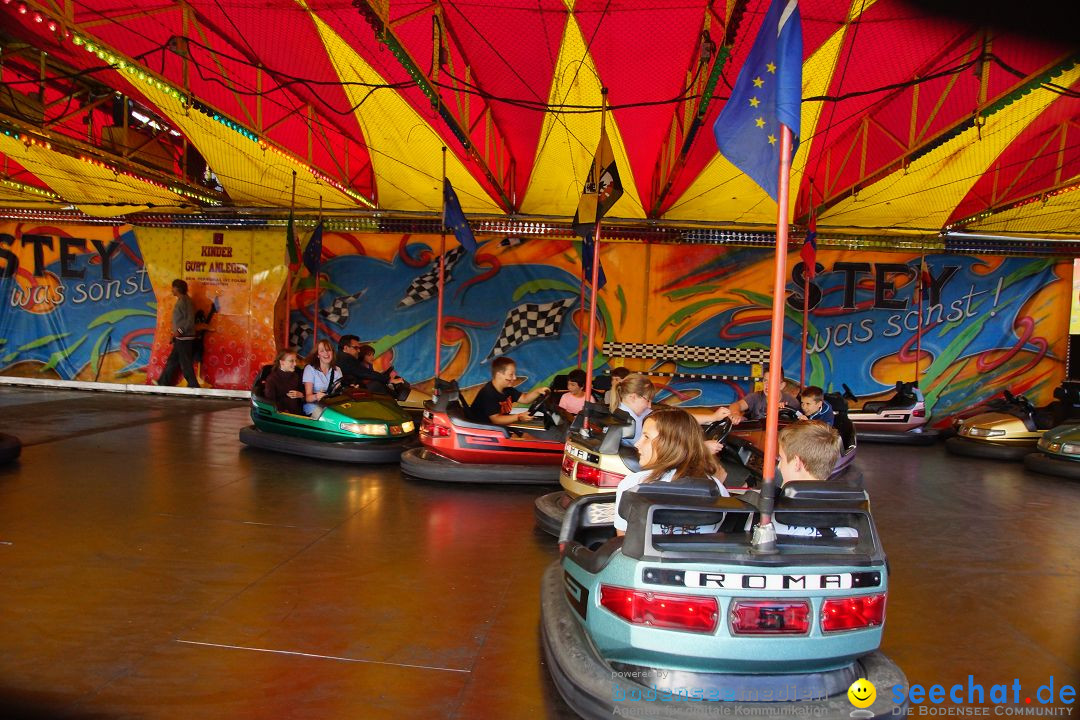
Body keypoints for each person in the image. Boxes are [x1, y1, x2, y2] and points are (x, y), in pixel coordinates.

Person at [613, 406, 729, 535]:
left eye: (646, 437)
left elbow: (623, 541)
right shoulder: (717, 489)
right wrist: (717, 482)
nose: (637, 444)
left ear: (671, 443)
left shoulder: (633, 484)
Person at [773, 420, 856, 538]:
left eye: (781, 458)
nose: (780, 465)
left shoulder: (767, 521)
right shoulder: (853, 524)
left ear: (797, 463)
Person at [466, 356, 550, 426]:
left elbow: (525, 399)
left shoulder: (507, 389)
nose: (514, 378)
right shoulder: (488, 393)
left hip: (496, 428)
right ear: (499, 374)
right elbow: (496, 419)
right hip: (482, 430)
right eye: (511, 374)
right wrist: (518, 417)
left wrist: (538, 391)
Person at [705, 367, 799, 425]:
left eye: (772, 382)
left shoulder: (792, 402)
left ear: (781, 386)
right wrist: (735, 414)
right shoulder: (755, 397)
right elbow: (736, 405)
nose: (767, 385)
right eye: (765, 381)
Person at [159, 279, 200, 388]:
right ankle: (163, 382)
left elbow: (190, 321)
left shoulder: (186, 301)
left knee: (185, 364)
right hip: (180, 338)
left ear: (177, 288)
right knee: (172, 361)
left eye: (173, 287)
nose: (171, 290)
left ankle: (194, 386)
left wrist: (180, 332)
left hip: (185, 338)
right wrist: (175, 335)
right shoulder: (181, 301)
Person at [611, 373, 656, 446]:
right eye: (647, 400)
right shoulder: (632, 422)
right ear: (633, 397)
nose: (649, 406)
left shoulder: (621, 412)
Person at [302, 339, 341, 415]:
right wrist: (316, 396)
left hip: (331, 406)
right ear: (318, 355)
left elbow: (339, 391)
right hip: (314, 407)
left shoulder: (337, 370)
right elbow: (308, 398)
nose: (326, 353)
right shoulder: (310, 369)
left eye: (328, 350)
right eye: (322, 351)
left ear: (332, 352)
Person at [263, 349, 304, 414]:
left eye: (295, 361)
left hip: (296, 414)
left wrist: (301, 395)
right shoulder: (272, 379)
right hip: (280, 415)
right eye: (291, 361)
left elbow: (303, 393)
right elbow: (270, 402)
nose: (295, 364)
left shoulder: (296, 375)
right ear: (282, 362)